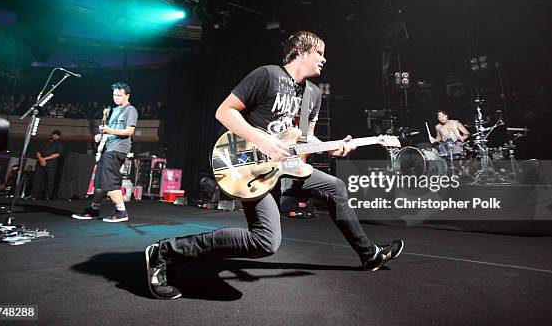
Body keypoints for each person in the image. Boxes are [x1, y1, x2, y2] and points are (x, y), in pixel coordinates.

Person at [144, 31, 404, 300]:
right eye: (319, 53)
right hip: (254, 168)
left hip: (288, 169)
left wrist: (334, 146)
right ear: (302, 52)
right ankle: (165, 251)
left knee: (335, 187)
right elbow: (224, 112)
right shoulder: (267, 75)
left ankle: (368, 254)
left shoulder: (313, 94)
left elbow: (305, 138)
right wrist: (263, 141)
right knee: (266, 242)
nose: (324, 60)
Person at [71, 82, 138, 222]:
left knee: (109, 181)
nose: (116, 98)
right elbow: (111, 132)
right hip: (108, 149)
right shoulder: (114, 110)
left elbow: (129, 131)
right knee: (99, 181)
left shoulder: (130, 110)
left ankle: (121, 212)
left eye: (119, 95)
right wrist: (101, 136)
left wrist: (109, 131)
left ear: (127, 95)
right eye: (114, 95)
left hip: (118, 150)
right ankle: (94, 209)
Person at [31, 130, 63, 200]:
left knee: (50, 181)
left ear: (59, 136)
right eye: (53, 134)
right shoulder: (44, 142)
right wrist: (40, 159)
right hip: (40, 163)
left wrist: (45, 159)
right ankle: (34, 195)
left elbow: (57, 154)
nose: (54, 136)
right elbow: (38, 151)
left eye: (56, 135)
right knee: (36, 179)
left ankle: (47, 196)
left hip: (51, 165)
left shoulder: (59, 144)